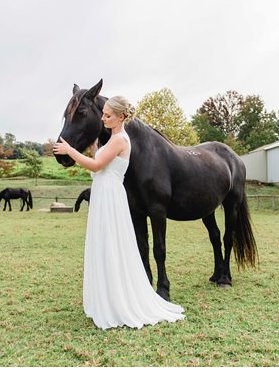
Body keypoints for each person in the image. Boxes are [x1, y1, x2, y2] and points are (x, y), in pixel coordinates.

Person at [53, 95, 186, 330]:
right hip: (106, 192)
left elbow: (95, 166)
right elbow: (99, 169)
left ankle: (117, 300)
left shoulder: (118, 140)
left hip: (110, 195)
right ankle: (111, 298)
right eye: (102, 114)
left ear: (120, 117)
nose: (103, 118)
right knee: (106, 244)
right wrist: (94, 149)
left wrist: (69, 150)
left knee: (111, 244)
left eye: (107, 115)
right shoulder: (113, 140)